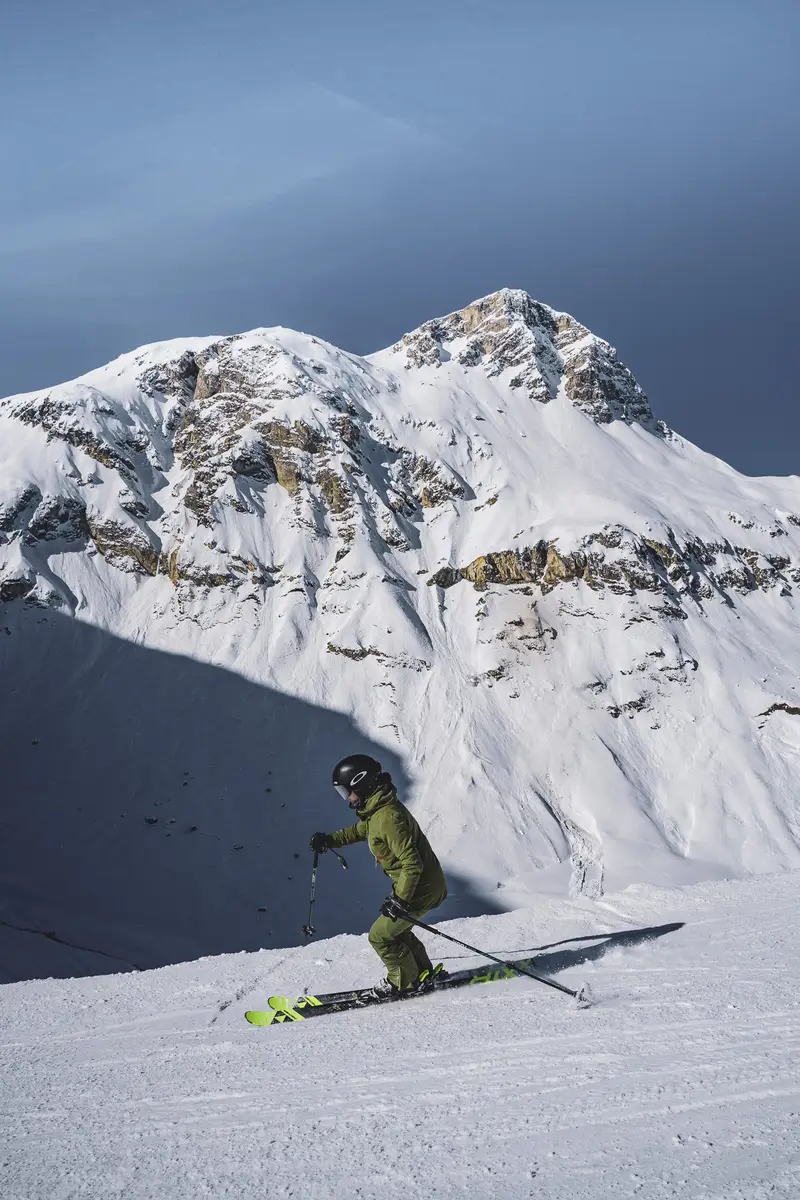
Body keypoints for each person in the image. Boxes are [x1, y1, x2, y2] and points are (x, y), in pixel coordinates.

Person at [310, 754, 448, 996]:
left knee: (380, 936)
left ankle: (404, 983)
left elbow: (412, 864)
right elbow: (360, 830)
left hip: (420, 888)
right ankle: (422, 974)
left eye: (347, 792)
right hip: (421, 885)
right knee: (396, 931)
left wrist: (401, 901)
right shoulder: (378, 812)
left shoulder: (387, 818)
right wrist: (329, 840)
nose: (348, 799)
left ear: (362, 784)